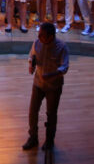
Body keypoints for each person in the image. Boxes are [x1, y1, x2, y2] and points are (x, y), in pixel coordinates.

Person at [22, 22, 69, 151]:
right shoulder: (37, 43)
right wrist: (31, 64)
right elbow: (32, 56)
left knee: (51, 114)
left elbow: (64, 67)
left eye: (42, 35)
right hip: (38, 84)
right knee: (33, 112)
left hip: (53, 86)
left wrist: (51, 75)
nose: (39, 37)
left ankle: (49, 141)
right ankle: (33, 138)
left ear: (50, 36)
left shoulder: (61, 47)